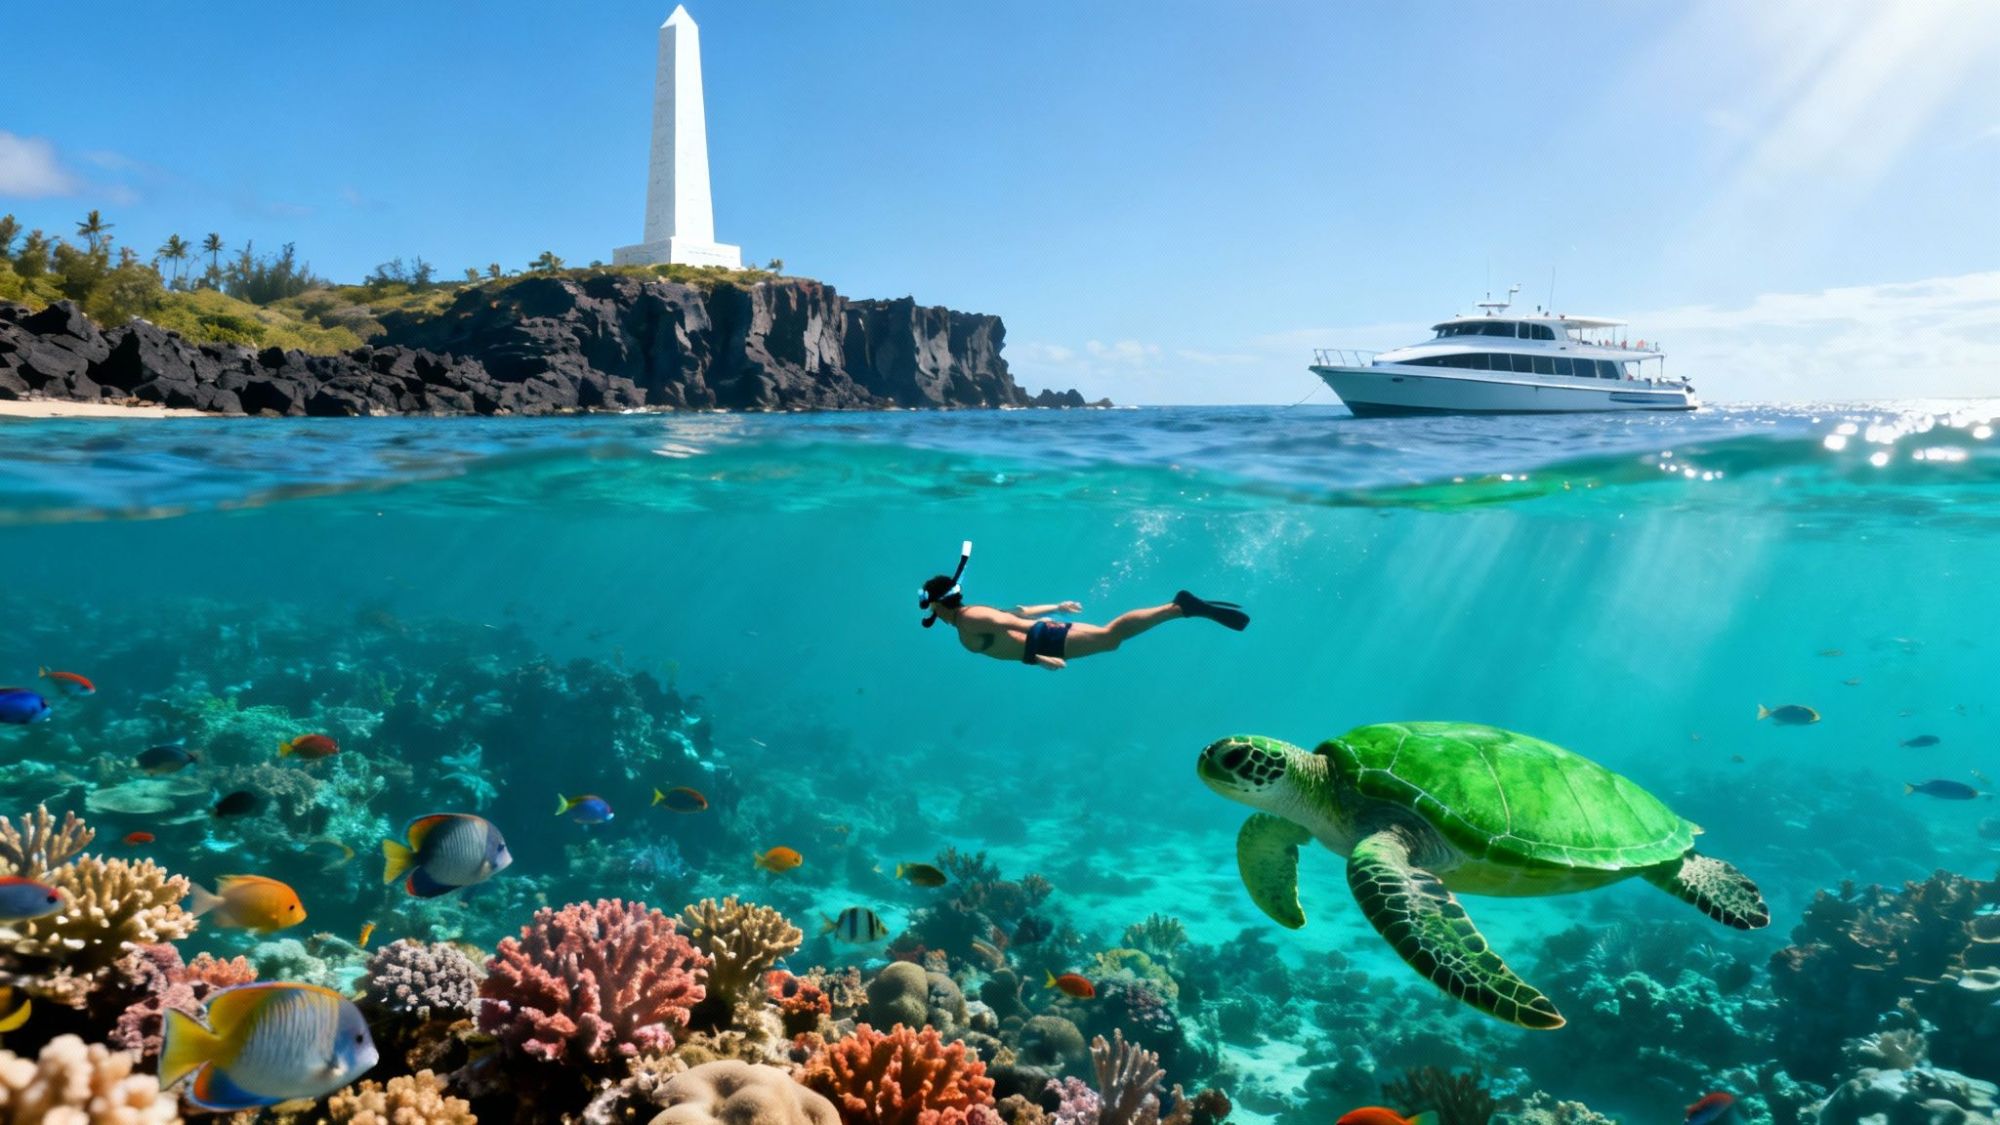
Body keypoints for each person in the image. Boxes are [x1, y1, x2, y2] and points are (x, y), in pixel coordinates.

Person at [918, 544, 1247, 670]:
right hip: (1041, 636)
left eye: (928, 605)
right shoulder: (971, 615)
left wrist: (1039, 658)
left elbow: (1013, 626)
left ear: (935, 603)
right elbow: (1018, 612)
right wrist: (1057, 606)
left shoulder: (969, 620)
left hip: (1041, 641)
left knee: (1111, 638)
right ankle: (1178, 609)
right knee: (1110, 639)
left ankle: (1177, 608)